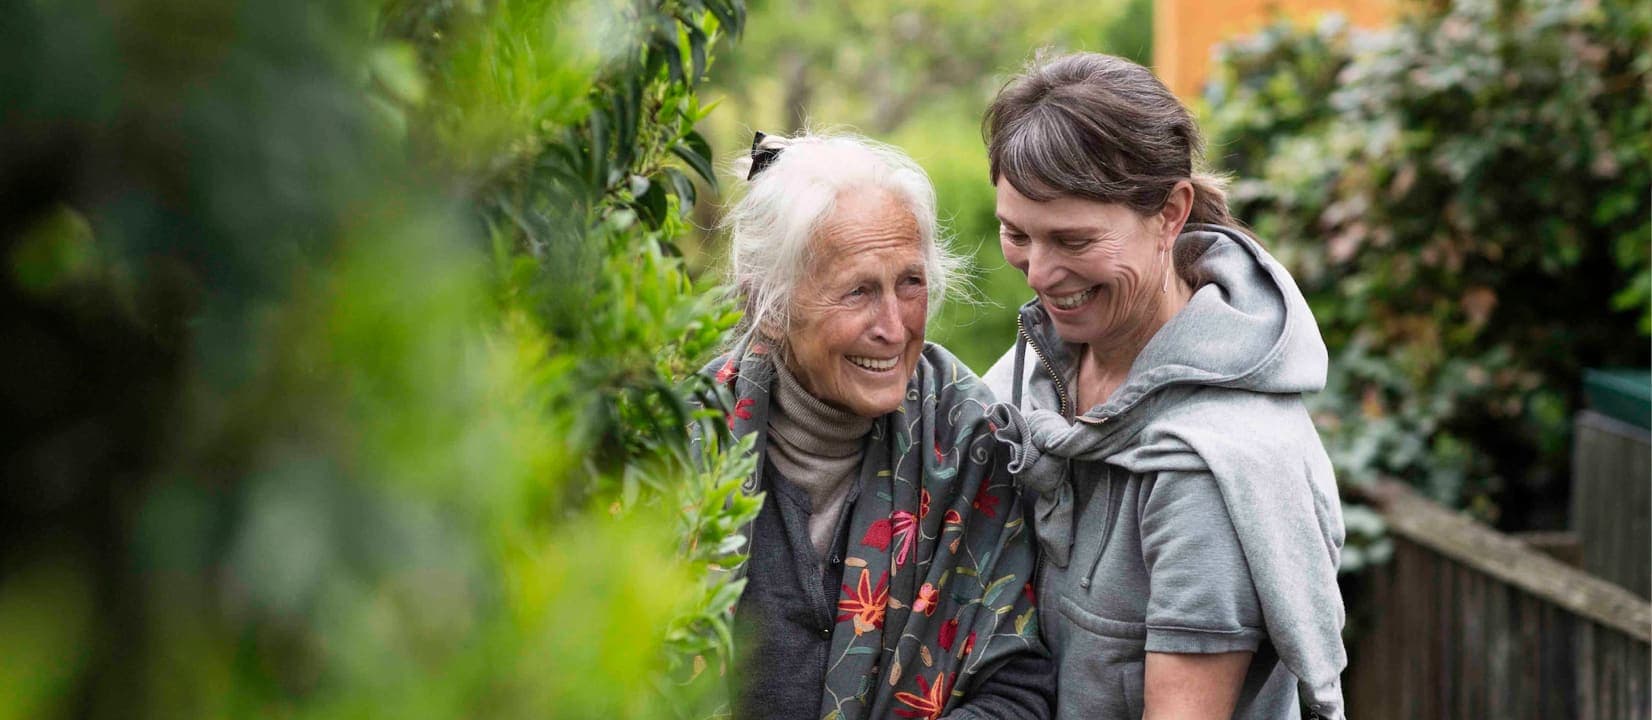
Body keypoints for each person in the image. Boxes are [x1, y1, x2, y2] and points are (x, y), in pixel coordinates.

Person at [977, 52, 1348, 719]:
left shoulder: (1208, 470)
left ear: (1171, 212)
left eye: (1073, 239)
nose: (1037, 273)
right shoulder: (1026, 375)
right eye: (1017, 235)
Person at [697, 131, 1053, 720]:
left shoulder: (971, 444)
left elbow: (1016, 689)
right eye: (858, 291)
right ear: (772, 306)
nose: (893, 326)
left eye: (909, 283)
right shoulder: (683, 440)